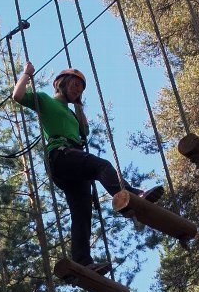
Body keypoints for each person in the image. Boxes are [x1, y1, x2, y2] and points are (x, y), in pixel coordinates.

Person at [12, 62, 163, 273]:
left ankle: (82, 262)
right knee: (102, 165)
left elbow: (84, 131)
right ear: (61, 84)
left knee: (82, 212)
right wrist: (27, 74)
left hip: (73, 163)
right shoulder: (46, 100)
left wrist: (79, 107)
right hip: (61, 154)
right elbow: (17, 95)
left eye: (80, 89)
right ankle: (130, 194)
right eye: (74, 85)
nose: (76, 90)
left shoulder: (73, 114)